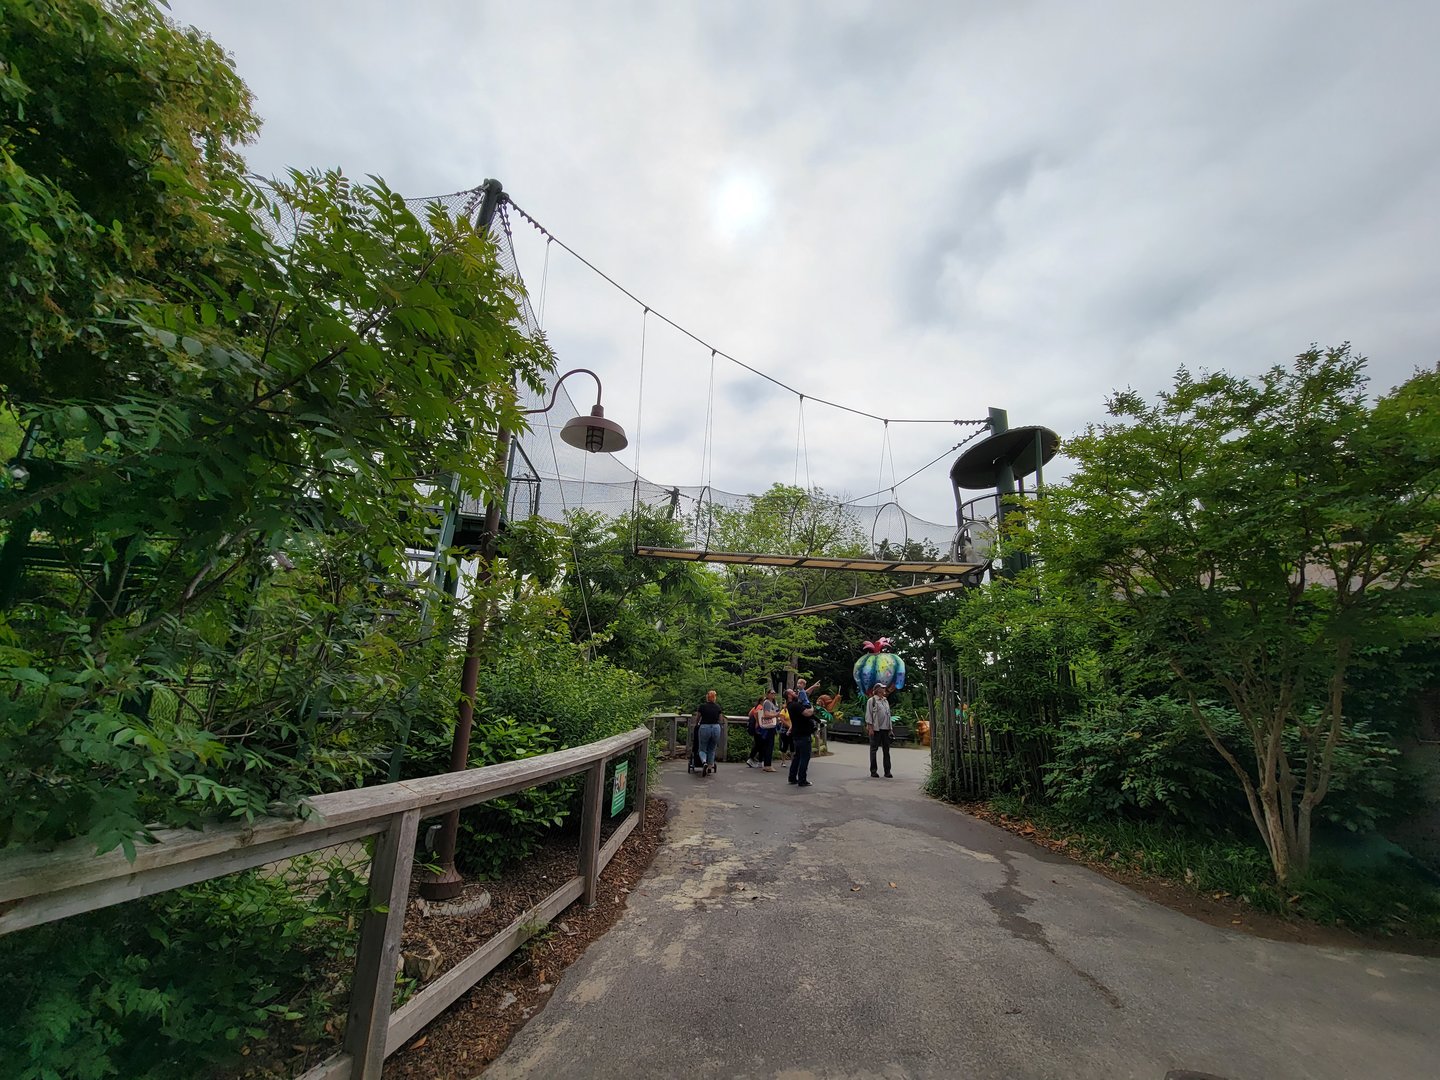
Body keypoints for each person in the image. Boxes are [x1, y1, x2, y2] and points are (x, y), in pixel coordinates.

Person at [787, 685, 817, 787]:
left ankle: (792, 777)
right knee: (804, 757)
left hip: (796, 734)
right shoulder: (795, 705)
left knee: (797, 757)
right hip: (803, 734)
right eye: (792, 692)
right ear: (789, 695)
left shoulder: (791, 705)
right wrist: (812, 708)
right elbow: (807, 713)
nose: (795, 693)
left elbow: (804, 694)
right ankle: (802, 779)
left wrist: (812, 687)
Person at [866, 684, 894, 778]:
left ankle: (887, 771)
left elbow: (888, 715)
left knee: (886, 750)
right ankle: (873, 771)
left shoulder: (885, 701)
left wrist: (890, 729)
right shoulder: (872, 700)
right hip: (876, 729)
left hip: (885, 729)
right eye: (882, 688)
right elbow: (869, 715)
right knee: (874, 750)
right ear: (877, 690)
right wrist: (870, 728)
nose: (884, 689)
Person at [695, 690, 723, 776]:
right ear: (714, 698)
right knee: (712, 748)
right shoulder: (718, 707)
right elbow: (720, 719)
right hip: (716, 727)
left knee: (702, 748)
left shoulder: (702, 706)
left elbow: (698, 717)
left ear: (707, 697)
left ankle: (704, 762)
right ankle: (710, 767)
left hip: (705, 727)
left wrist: (696, 725)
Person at [753, 689, 781, 772]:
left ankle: (766, 763)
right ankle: (767, 765)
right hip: (768, 727)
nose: (773, 695)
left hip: (771, 727)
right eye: (771, 693)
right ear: (768, 694)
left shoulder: (771, 702)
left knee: (768, 745)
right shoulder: (767, 702)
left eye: (774, 693)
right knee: (769, 745)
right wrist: (776, 714)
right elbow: (766, 714)